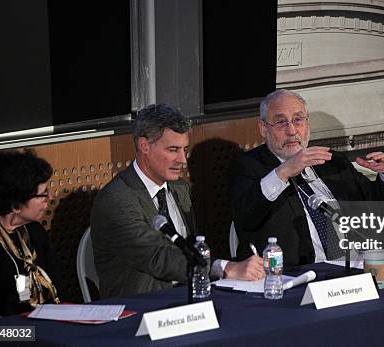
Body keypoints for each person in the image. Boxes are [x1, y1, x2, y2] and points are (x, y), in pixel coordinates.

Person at [90, 104, 263, 299]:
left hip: (189, 298)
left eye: (184, 150)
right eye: (173, 150)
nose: (183, 160)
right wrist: (225, 268)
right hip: (139, 310)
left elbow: (191, 246)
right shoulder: (116, 199)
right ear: (144, 146)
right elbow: (158, 257)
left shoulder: (180, 188)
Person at [230, 89, 384, 266]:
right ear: (263, 128)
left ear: (308, 124)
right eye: (281, 122)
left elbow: (374, 207)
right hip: (295, 276)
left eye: (298, 120)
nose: (292, 130)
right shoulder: (248, 166)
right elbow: (246, 217)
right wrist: (283, 172)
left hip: (355, 266)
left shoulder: (331, 160)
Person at [0, 150, 60, 325]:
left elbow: (57, 287)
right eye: (44, 194)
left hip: (41, 326)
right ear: (16, 205)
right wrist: (29, 335)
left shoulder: (35, 233)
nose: (51, 197)